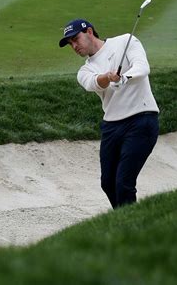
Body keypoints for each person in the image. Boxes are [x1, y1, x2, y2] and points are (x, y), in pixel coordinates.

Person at [59, 19, 159, 209]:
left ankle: (131, 228)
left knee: (123, 183)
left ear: (89, 31)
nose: (74, 46)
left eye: (75, 39)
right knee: (108, 183)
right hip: (112, 126)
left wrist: (124, 77)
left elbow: (143, 67)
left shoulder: (125, 41)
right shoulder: (84, 70)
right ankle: (125, 222)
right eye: (70, 44)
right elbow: (94, 83)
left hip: (142, 119)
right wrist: (108, 77)